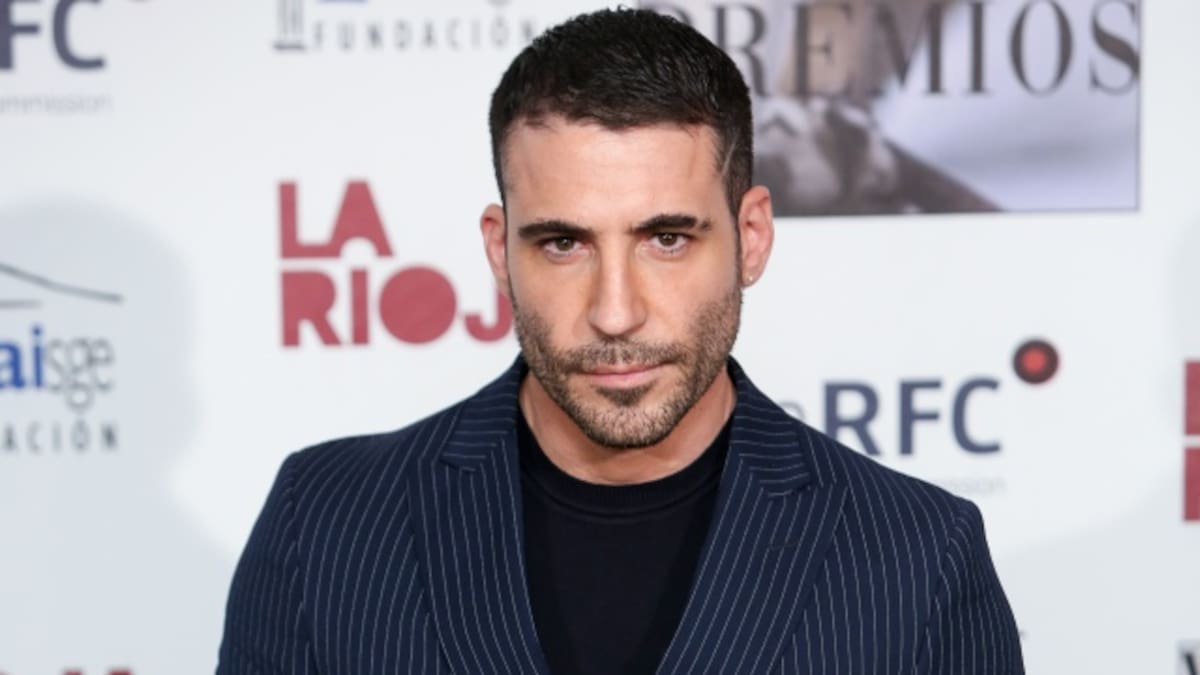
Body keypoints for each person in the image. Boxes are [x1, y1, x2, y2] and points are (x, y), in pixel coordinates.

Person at [216, 8, 1024, 674]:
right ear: (499, 250)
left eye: (666, 239)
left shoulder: (918, 557)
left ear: (751, 237)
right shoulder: (324, 523)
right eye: (563, 243)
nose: (614, 312)